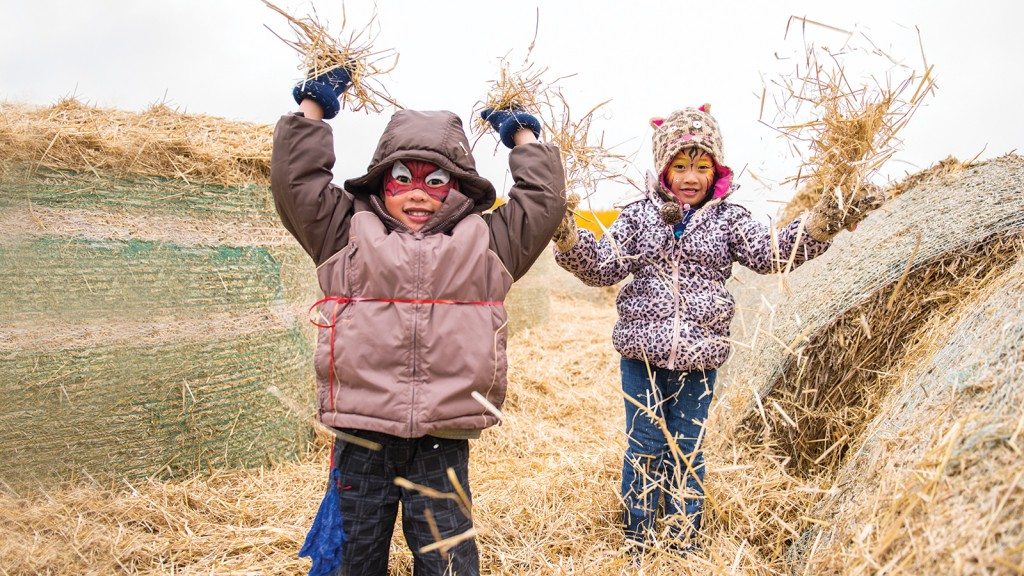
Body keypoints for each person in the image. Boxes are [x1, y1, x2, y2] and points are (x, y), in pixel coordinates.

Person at [272, 66, 566, 575]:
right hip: (361, 433)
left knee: (447, 558)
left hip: (441, 436)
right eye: (401, 179)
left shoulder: (488, 244)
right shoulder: (344, 233)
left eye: (435, 182)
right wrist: (312, 113)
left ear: (458, 190)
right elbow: (296, 183)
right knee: (353, 556)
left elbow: (542, 202)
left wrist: (523, 137)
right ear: (381, 184)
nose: (417, 194)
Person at [551, 104, 883, 552]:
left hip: (701, 358)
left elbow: (771, 253)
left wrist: (821, 223)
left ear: (716, 170)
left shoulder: (729, 220)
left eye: (701, 166)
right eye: (680, 165)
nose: (691, 176)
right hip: (641, 358)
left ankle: (684, 539)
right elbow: (602, 267)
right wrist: (566, 234)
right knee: (646, 445)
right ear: (664, 170)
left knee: (687, 447)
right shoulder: (638, 217)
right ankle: (639, 538)